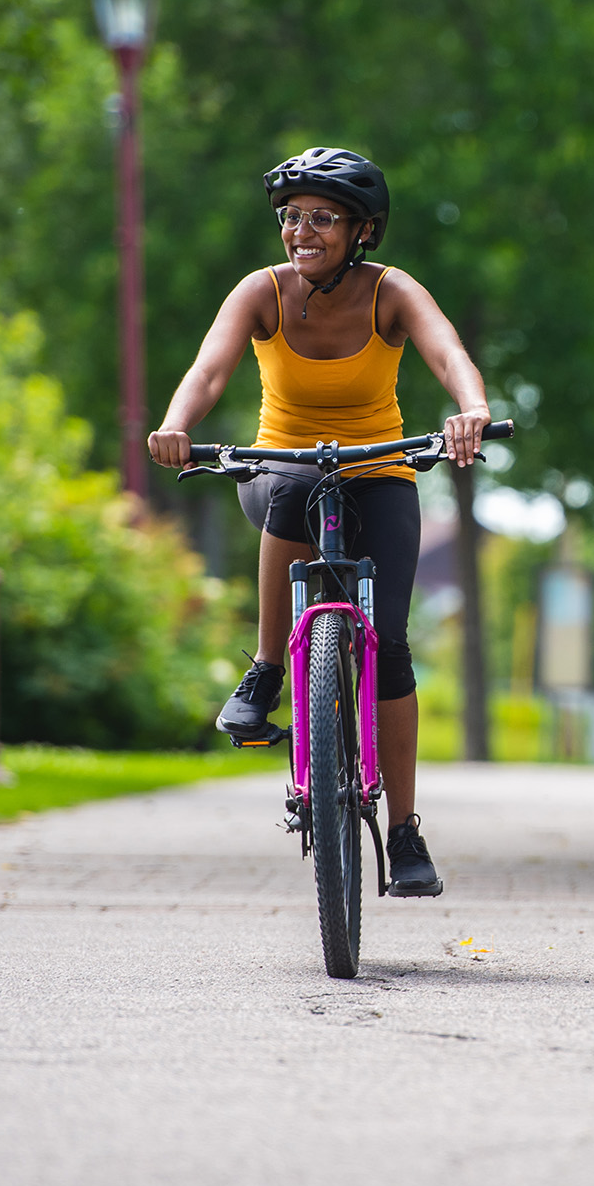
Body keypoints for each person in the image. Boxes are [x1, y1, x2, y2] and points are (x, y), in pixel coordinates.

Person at [148, 147, 490, 897]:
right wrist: (177, 423)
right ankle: (269, 665)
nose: (302, 231)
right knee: (294, 483)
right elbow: (209, 368)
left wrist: (471, 410)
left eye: (322, 219)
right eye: (292, 217)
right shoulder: (261, 292)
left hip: (380, 472)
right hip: (277, 471)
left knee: (392, 649)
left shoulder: (391, 292)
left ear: (363, 230)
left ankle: (403, 831)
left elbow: (447, 350)